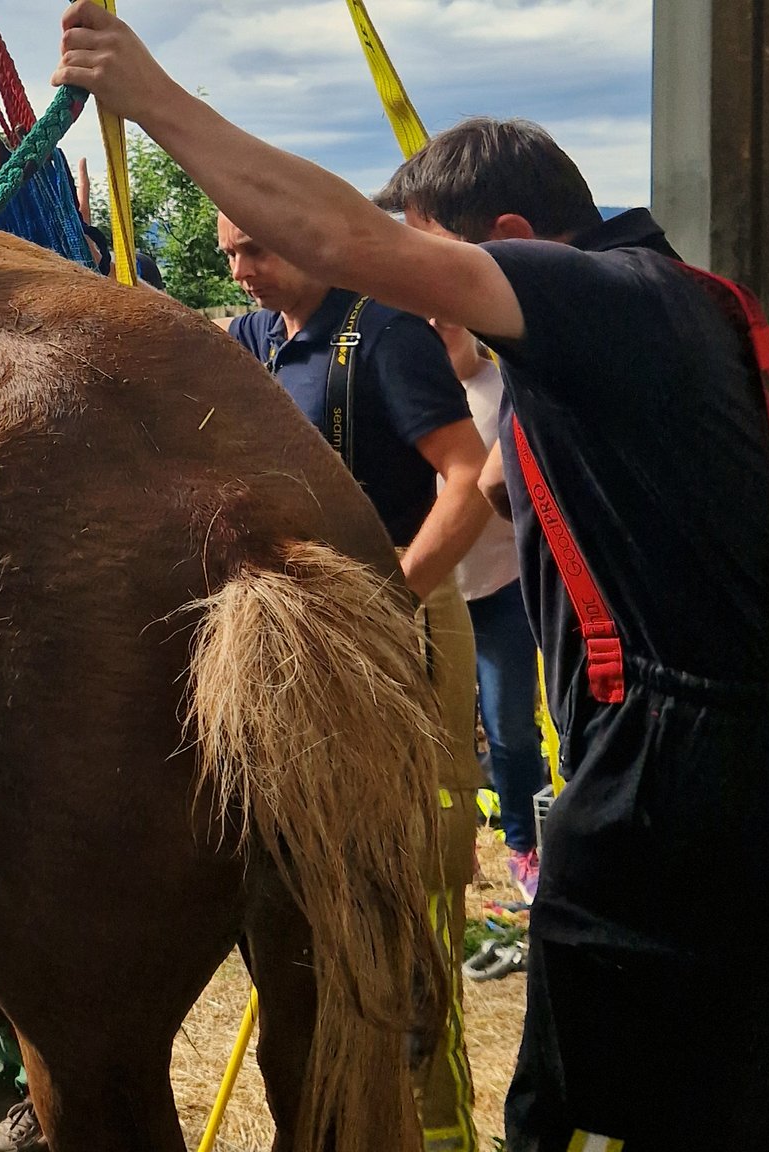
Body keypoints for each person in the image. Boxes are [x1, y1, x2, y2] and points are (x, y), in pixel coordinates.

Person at [54, 8, 769, 1147]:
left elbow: (338, 242)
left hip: (671, 796)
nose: (428, 314)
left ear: (520, 240)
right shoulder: (673, 309)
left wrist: (148, 97)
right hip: (755, 775)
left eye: (442, 274)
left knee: (575, 1125)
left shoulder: (606, 299)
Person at [219, 210, 490, 1152]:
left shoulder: (382, 332)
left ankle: (436, 1128)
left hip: (400, 627)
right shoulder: (249, 342)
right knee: (306, 888)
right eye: (228, 255)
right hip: (299, 644)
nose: (240, 269)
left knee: (410, 882)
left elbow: (467, 475)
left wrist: (392, 595)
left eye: (254, 249)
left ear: (302, 239)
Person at [434, 319, 546, 901]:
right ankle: (455, 846)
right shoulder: (408, 383)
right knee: (438, 737)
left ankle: (525, 848)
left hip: (500, 590)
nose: (432, 323)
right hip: (435, 595)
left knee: (510, 732)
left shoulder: (501, 390)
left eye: (442, 312)